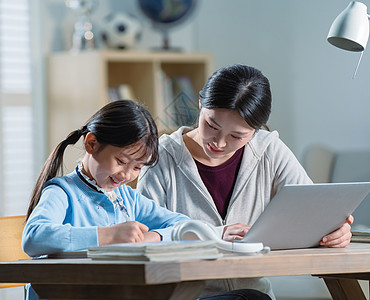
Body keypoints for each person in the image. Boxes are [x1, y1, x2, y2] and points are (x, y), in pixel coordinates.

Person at [136, 64, 353, 300]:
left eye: (236, 136)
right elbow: (142, 242)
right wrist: (217, 235)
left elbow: (312, 210)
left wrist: (333, 231)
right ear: (201, 104)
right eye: (211, 125)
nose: (218, 143)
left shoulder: (269, 151)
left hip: (253, 294)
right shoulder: (160, 159)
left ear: (255, 130)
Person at [22, 99, 270, 300]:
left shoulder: (127, 197)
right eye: (121, 161)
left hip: (128, 294)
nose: (126, 175)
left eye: (137, 167)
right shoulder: (63, 192)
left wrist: (153, 237)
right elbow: (34, 237)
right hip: (77, 294)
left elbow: (183, 225)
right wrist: (107, 236)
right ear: (92, 144)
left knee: (251, 298)